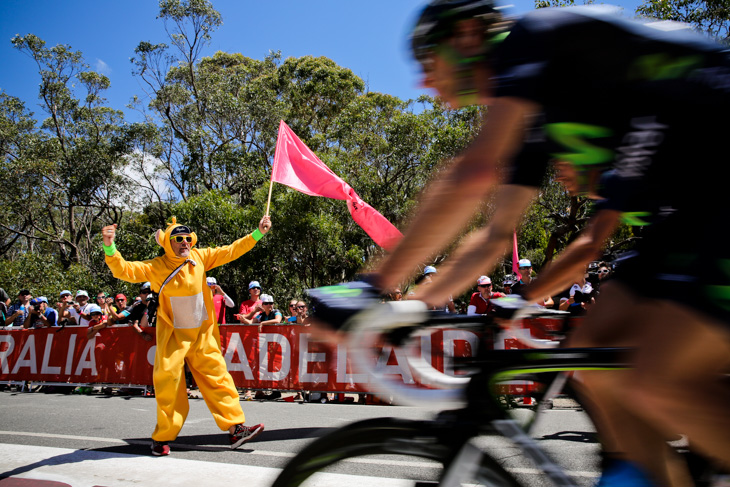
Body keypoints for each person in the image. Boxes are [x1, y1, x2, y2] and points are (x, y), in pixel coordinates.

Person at [309, 2, 730, 485]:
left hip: (714, 193)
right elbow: (493, 234)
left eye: (428, 62)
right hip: (687, 211)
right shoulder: (538, 121)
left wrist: (374, 286)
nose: (424, 82)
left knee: (658, 381)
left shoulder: (537, 38)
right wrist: (416, 306)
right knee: (590, 354)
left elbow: (475, 174)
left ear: (467, 35)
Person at [101, 215, 270, 455]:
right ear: (167, 243)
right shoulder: (157, 266)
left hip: (202, 336)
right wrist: (110, 246)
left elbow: (232, 250)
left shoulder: (200, 257)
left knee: (219, 379)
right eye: (178, 239)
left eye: (187, 238)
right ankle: (161, 439)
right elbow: (123, 269)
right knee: (169, 386)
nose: (184, 243)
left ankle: (236, 430)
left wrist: (258, 233)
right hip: (173, 338)